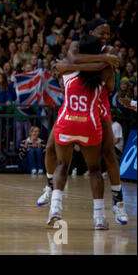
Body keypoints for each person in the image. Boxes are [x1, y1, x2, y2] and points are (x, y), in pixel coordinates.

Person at [37, 20, 128, 226]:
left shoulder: (105, 50)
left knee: (109, 155)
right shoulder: (82, 48)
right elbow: (81, 59)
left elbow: (71, 63)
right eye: (101, 33)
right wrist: (104, 60)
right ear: (90, 32)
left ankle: (117, 200)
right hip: (87, 112)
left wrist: (69, 66)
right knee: (51, 149)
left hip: (96, 105)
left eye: (108, 34)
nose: (105, 37)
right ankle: (51, 187)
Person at [49, 45, 110, 229]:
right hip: (89, 124)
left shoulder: (67, 71)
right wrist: (105, 60)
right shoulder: (102, 73)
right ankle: (99, 217)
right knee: (94, 170)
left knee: (61, 165)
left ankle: (55, 208)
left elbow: (62, 64)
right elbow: (111, 85)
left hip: (68, 122)